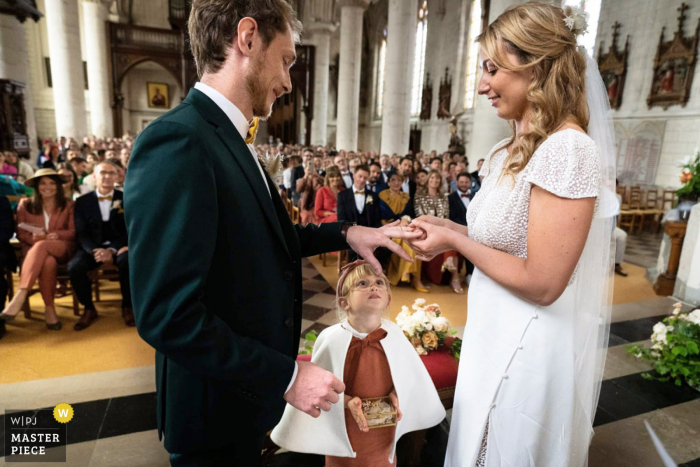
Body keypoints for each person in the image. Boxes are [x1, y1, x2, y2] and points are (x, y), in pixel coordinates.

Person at [124, 2, 418, 464]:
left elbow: (261, 240)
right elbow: (166, 314)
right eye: (284, 60)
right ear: (247, 38)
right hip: (213, 413)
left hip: (244, 400)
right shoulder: (180, 140)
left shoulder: (230, 138)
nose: (286, 80)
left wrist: (347, 232)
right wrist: (285, 376)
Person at [407, 4, 615, 466]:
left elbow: (543, 282)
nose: (481, 85)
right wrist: (448, 230)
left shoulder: (568, 150)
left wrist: (458, 243)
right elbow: (505, 238)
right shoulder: (507, 149)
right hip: (490, 331)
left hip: (527, 346)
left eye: (492, 69)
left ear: (536, 68)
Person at [271, 261, 445, 466]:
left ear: (388, 298)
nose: (374, 286)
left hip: (383, 429)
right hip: (343, 425)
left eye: (379, 282)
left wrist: (397, 394)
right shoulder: (331, 339)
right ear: (344, 303)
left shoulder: (395, 335)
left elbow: (408, 378)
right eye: (362, 283)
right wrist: (347, 402)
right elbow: (320, 388)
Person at [0, 170, 75, 330]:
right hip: (34, 250)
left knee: (44, 246)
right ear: (36, 186)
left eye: (52, 183)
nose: (47, 187)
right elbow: (21, 233)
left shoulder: (68, 204)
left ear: (58, 186)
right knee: (47, 261)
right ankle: (50, 309)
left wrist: (55, 234)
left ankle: (21, 293)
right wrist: (35, 238)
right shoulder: (25, 204)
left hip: (61, 247)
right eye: (42, 183)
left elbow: (73, 231)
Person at [69, 161, 132, 331]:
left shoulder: (126, 198)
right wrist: (96, 251)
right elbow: (81, 233)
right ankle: (88, 308)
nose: (107, 176)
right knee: (75, 267)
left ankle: (128, 306)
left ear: (116, 177)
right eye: (103, 172)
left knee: (128, 262)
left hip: (119, 246)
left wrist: (112, 249)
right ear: (94, 176)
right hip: (91, 247)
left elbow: (129, 229)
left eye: (111, 173)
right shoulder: (82, 202)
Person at [414, 170, 463, 294]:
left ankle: (454, 275)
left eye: (437, 178)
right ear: (428, 180)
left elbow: (446, 215)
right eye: (432, 178)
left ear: (440, 181)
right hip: (425, 229)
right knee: (448, 235)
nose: (434, 180)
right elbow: (419, 214)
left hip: (442, 228)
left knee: (452, 235)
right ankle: (453, 272)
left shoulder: (443, 197)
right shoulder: (419, 195)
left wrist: (440, 228)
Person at [380, 174, 426, 292]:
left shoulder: (406, 197)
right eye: (393, 180)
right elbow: (383, 213)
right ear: (388, 182)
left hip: (404, 225)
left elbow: (410, 213)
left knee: (413, 239)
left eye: (399, 180)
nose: (396, 182)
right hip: (387, 226)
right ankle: (411, 275)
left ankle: (410, 274)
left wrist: (405, 218)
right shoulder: (382, 195)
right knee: (403, 239)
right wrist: (399, 221)